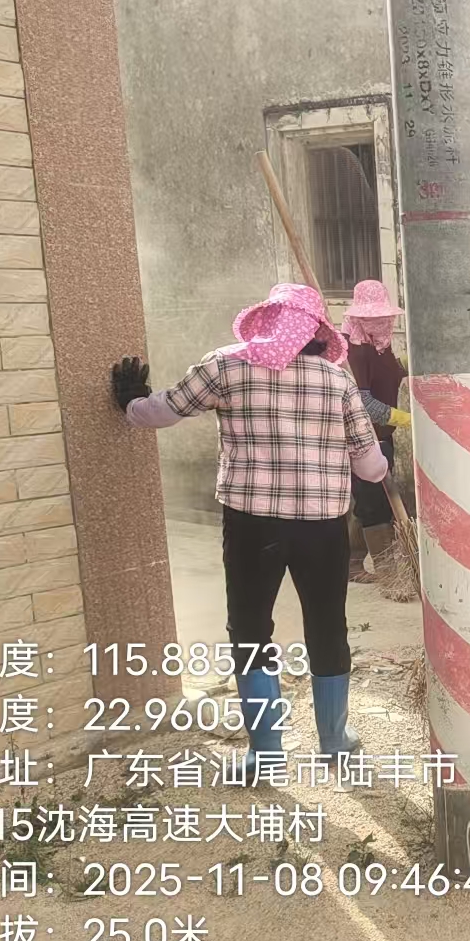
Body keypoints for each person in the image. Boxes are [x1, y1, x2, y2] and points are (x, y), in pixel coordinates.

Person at [110, 283, 388, 777]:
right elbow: (369, 468)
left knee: (251, 628)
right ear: (317, 331)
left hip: (251, 524)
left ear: (265, 320)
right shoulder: (337, 380)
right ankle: (334, 743)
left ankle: (265, 752)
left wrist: (130, 403)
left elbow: (163, 411)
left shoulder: (225, 365)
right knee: (327, 627)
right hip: (323, 527)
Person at [341, 280, 413, 593]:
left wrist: (409, 365)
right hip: (363, 437)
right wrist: (406, 419)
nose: (381, 322)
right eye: (373, 318)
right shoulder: (353, 351)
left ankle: (352, 563)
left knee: (371, 500)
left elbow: (389, 372)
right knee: (375, 504)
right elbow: (363, 402)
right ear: (360, 317)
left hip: (383, 436)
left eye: (383, 316)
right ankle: (390, 576)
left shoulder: (378, 344)